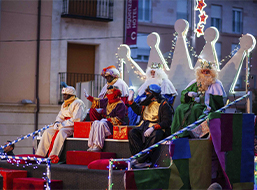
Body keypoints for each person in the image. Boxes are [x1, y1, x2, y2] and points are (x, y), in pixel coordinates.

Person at [171, 59, 226, 137]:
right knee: (180, 108)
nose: (205, 73)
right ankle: (176, 132)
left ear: (212, 73)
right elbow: (184, 93)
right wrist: (188, 94)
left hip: (206, 107)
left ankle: (190, 133)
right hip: (193, 104)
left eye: (207, 72)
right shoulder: (196, 82)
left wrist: (201, 100)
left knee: (196, 109)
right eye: (203, 71)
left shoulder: (216, 84)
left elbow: (217, 102)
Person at [36, 85, 86, 163]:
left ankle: (53, 156)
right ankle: (39, 155)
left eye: (65, 95)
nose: (63, 96)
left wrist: (62, 125)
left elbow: (77, 119)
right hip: (63, 125)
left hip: (74, 126)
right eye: (63, 95)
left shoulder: (78, 103)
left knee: (61, 132)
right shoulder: (64, 104)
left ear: (71, 95)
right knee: (48, 131)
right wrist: (57, 123)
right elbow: (60, 116)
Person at [128, 84, 173, 168]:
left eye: (148, 92)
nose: (146, 93)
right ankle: (139, 158)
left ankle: (144, 160)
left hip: (157, 128)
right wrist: (131, 102)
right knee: (132, 132)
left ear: (153, 93)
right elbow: (138, 111)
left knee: (156, 135)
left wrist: (153, 128)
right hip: (144, 125)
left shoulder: (164, 104)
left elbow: (167, 122)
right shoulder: (147, 102)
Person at [84, 85, 126, 152]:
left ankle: (98, 146)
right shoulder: (107, 101)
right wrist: (88, 97)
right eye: (108, 93)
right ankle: (92, 145)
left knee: (101, 123)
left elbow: (120, 119)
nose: (108, 94)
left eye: (110, 93)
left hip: (114, 126)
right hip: (106, 122)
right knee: (95, 122)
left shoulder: (120, 104)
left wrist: (108, 120)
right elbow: (98, 102)